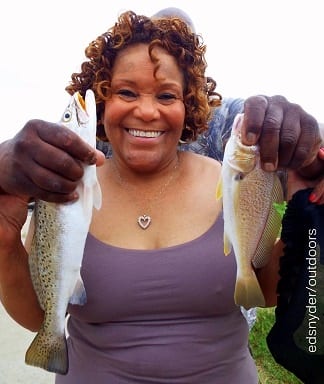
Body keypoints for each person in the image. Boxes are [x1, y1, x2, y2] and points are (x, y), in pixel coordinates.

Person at [0, 9, 323, 384]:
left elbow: (265, 290)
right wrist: (6, 233)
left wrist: (307, 211)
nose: (147, 110)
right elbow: (40, 316)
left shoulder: (231, 181)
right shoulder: (67, 193)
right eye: (126, 91)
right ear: (102, 99)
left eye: (167, 95)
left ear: (189, 107)